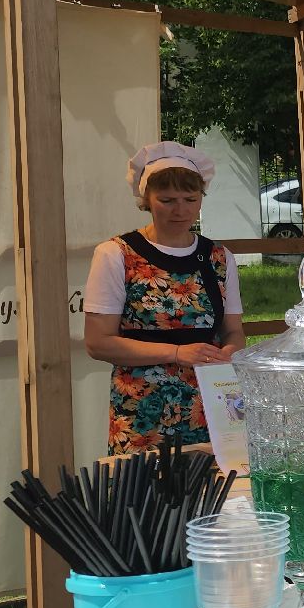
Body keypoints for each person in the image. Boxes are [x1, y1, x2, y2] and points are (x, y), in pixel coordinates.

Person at [84, 142, 246, 454]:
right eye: (168, 200)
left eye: (190, 199)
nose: (180, 210)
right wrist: (175, 353)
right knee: (144, 498)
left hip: (210, 407)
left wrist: (228, 354)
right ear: (146, 200)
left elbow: (234, 330)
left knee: (214, 495)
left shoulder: (219, 257)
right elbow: (97, 342)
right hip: (143, 410)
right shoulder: (117, 254)